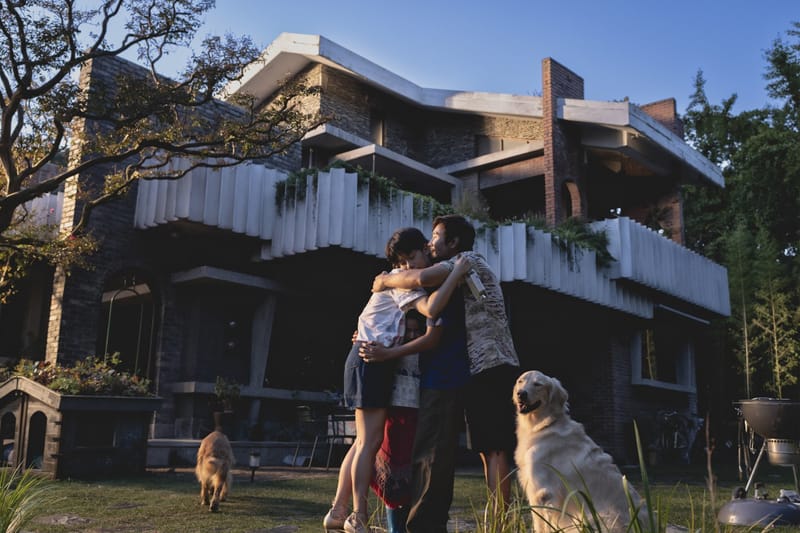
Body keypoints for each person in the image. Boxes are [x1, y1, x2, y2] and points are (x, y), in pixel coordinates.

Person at [372, 214, 521, 525]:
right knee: (485, 449)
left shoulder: (464, 261)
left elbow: (423, 282)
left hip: (490, 365)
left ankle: (501, 523)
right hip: (477, 368)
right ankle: (498, 520)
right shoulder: (455, 272)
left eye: (436, 235)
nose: (430, 241)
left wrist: (385, 279)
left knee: (492, 448)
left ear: (453, 243)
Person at [323, 227, 468, 533]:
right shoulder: (403, 283)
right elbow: (431, 307)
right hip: (370, 360)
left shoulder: (395, 280)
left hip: (367, 358)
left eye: (411, 257)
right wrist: (456, 273)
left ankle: (339, 510)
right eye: (402, 262)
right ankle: (357, 516)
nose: (407, 267)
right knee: (370, 442)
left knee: (363, 442)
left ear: (423, 250)